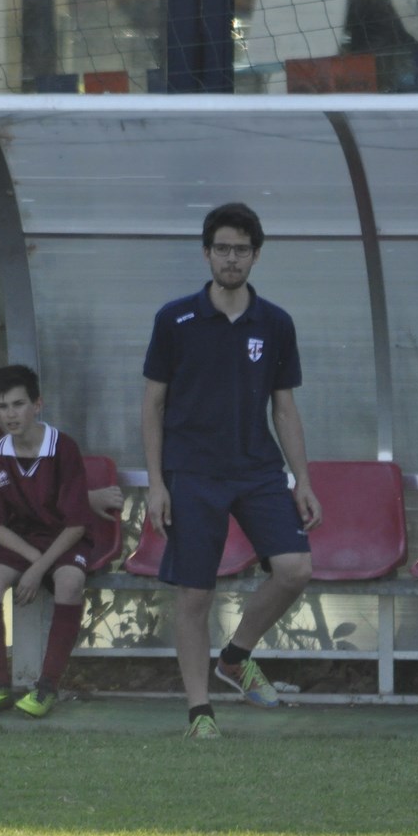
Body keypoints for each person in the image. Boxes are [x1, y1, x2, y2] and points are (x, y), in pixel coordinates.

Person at [141, 202, 322, 739]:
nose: (231, 259)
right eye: (222, 248)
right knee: (195, 594)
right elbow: (152, 406)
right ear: (206, 253)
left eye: (241, 250)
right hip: (192, 473)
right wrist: (156, 483)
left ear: (256, 256)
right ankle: (200, 714)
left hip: (258, 469)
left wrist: (303, 480)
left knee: (295, 569)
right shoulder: (175, 319)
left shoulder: (276, 323)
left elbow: (284, 408)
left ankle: (236, 656)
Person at [0, 364, 114, 719]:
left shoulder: (63, 448)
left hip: (66, 540)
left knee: (70, 581)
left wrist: (40, 568)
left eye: (18, 404)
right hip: (22, 542)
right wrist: (35, 561)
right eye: (2, 407)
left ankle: (47, 686)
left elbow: (76, 525)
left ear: (37, 405)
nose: (11, 414)